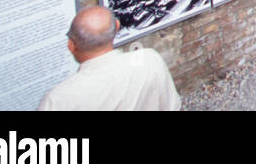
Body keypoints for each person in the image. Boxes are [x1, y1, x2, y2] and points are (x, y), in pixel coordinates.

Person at [38, 6, 181, 110]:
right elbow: (173, 107)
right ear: (117, 27)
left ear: (71, 45)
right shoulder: (149, 60)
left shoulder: (57, 100)